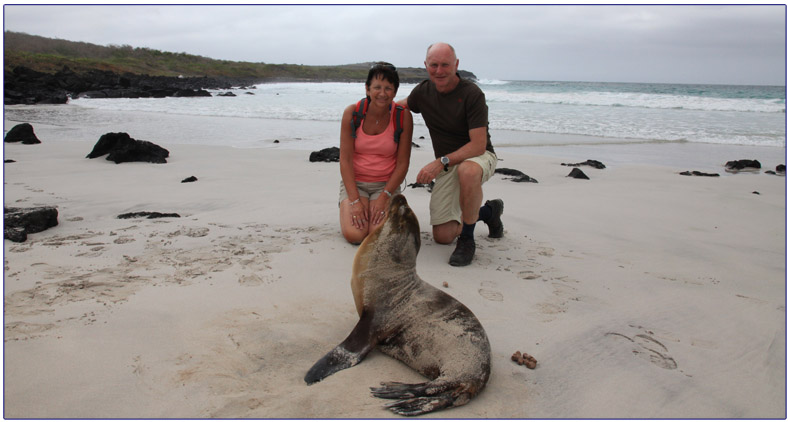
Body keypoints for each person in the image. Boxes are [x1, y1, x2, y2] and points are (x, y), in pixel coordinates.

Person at [397, 42, 504, 266]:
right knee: (442, 236)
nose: (439, 70)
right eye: (434, 65)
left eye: (445, 64)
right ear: (426, 65)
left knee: (467, 171)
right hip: (448, 164)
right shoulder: (423, 92)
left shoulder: (472, 94)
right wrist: (364, 111)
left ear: (456, 64)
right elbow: (399, 107)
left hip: (479, 157)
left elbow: (478, 145)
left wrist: (440, 161)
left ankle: (467, 240)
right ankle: (489, 212)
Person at [338, 62, 414, 244]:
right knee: (355, 235)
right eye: (377, 87)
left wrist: (384, 197)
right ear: (367, 88)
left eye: (388, 88)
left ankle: (394, 206)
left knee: (377, 235)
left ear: (395, 92)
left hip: (385, 185)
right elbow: (345, 161)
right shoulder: (352, 113)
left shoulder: (402, 116)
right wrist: (354, 201)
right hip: (356, 184)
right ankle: (347, 205)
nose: (382, 93)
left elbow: (403, 163)